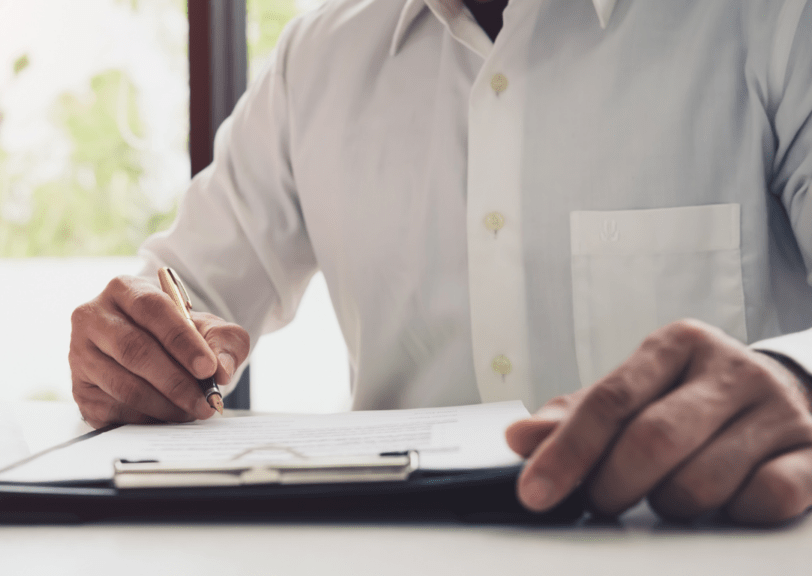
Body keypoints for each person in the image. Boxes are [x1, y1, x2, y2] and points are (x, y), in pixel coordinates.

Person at [69, 0, 812, 524]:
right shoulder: (315, 59)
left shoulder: (775, 20)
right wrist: (133, 348)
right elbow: (185, 291)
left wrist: (796, 378)